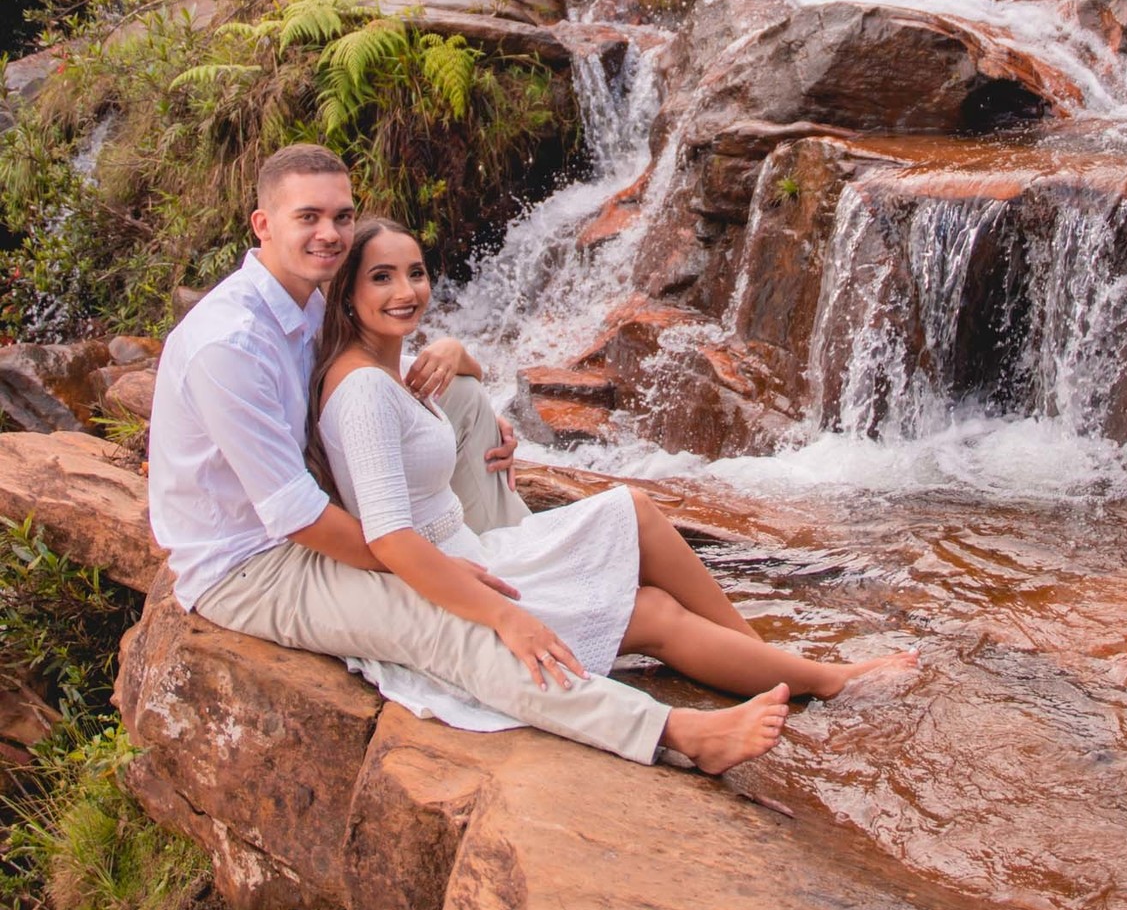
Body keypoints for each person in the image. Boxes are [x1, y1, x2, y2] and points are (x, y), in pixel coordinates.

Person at [148, 143, 798, 774]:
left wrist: (464, 364)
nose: (331, 233)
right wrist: (435, 569)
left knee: (465, 550)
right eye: (308, 217)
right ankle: (670, 733)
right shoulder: (229, 344)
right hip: (249, 564)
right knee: (438, 621)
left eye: (342, 216)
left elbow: (383, 364)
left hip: (311, 524)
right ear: (262, 224)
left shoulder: (308, 296)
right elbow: (296, 515)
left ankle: (759, 665)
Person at [307, 215, 918, 734]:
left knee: (633, 509)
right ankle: (823, 681)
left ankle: (763, 659)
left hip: (471, 550)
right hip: (447, 584)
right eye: (381, 277)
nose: (405, 290)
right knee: (651, 612)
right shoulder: (363, 389)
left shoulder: (388, 365)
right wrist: (501, 617)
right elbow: (387, 537)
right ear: (347, 294)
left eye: (415, 272)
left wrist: (456, 353)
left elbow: (454, 373)